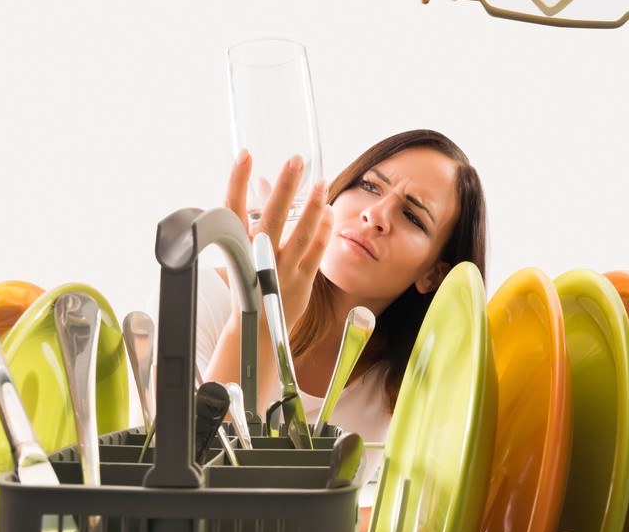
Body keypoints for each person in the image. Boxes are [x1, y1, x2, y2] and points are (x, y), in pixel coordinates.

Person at [198, 128, 488, 445]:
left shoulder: (408, 387)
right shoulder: (203, 297)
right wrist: (256, 322)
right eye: (369, 186)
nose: (374, 214)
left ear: (434, 275)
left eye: (412, 216)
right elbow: (180, 478)